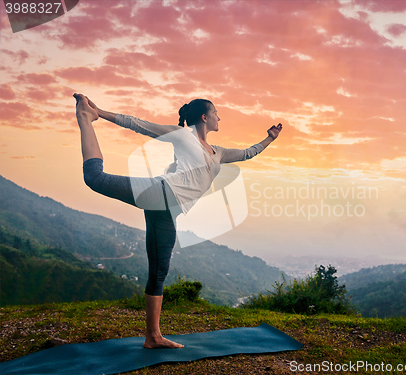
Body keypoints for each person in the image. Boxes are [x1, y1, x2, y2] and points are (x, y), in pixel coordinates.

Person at [73, 93, 282, 349]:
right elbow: (139, 124)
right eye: (216, 112)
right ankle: (85, 117)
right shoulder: (183, 136)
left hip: (168, 210)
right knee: (95, 178)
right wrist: (100, 112)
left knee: (159, 271)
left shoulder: (219, 153)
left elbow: (249, 153)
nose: (219, 117)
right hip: (160, 192)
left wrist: (269, 139)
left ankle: (153, 337)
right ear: (204, 117)